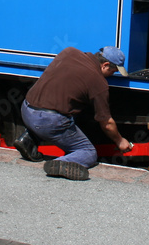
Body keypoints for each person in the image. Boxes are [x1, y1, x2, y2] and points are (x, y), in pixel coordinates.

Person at [14, 46, 134, 181]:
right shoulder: (99, 83)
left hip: (26, 109)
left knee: (74, 108)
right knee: (88, 153)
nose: (112, 75)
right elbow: (106, 122)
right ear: (105, 65)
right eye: (113, 71)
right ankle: (60, 163)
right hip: (48, 121)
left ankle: (28, 139)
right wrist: (119, 140)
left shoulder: (69, 52)